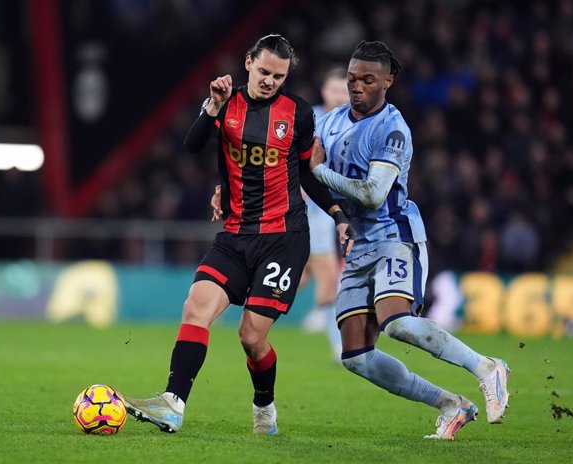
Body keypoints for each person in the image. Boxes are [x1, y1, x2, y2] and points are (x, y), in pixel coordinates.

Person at [124, 34, 354, 436]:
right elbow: (192, 145)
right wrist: (212, 107)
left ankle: (264, 405)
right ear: (248, 63)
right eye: (264, 71)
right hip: (234, 234)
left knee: (250, 337)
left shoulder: (298, 112)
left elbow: (306, 173)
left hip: (283, 238)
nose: (269, 81)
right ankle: (173, 404)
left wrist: (336, 212)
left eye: (278, 76)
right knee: (196, 306)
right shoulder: (224, 100)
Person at [309, 40, 510, 440]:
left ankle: (486, 366)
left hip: (395, 237)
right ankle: (451, 404)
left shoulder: (393, 129)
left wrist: (319, 171)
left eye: (368, 80)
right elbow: (308, 166)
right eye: (352, 79)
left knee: (397, 323)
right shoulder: (330, 122)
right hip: (359, 244)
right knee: (356, 357)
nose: (357, 87)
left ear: (388, 81)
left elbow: (371, 193)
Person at [299, 66, 350, 359]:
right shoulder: (310, 119)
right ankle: (335, 339)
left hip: (337, 206)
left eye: (344, 91)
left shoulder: (354, 122)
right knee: (328, 274)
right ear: (324, 91)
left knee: (301, 276)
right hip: (310, 208)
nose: (340, 96)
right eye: (335, 90)